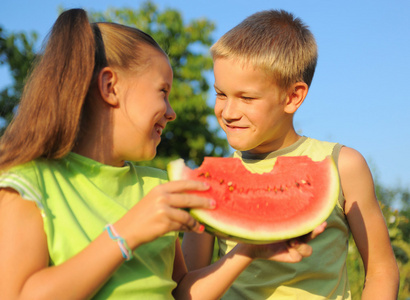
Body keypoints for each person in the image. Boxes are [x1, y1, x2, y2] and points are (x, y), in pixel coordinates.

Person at [0, 8, 324, 300]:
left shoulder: (157, 188)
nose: (171, 112)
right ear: (110, 87)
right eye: (163, 92)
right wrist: (127, 232)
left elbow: (181, 292)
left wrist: (248, 251)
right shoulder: (27, 184)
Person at [182, 9, 400, 300]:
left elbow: (381, 270)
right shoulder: (208, 180)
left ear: (293, 97)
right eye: (221, 94)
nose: (228, 112)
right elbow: (186, 289)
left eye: (246, 97)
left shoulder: (343, 165)